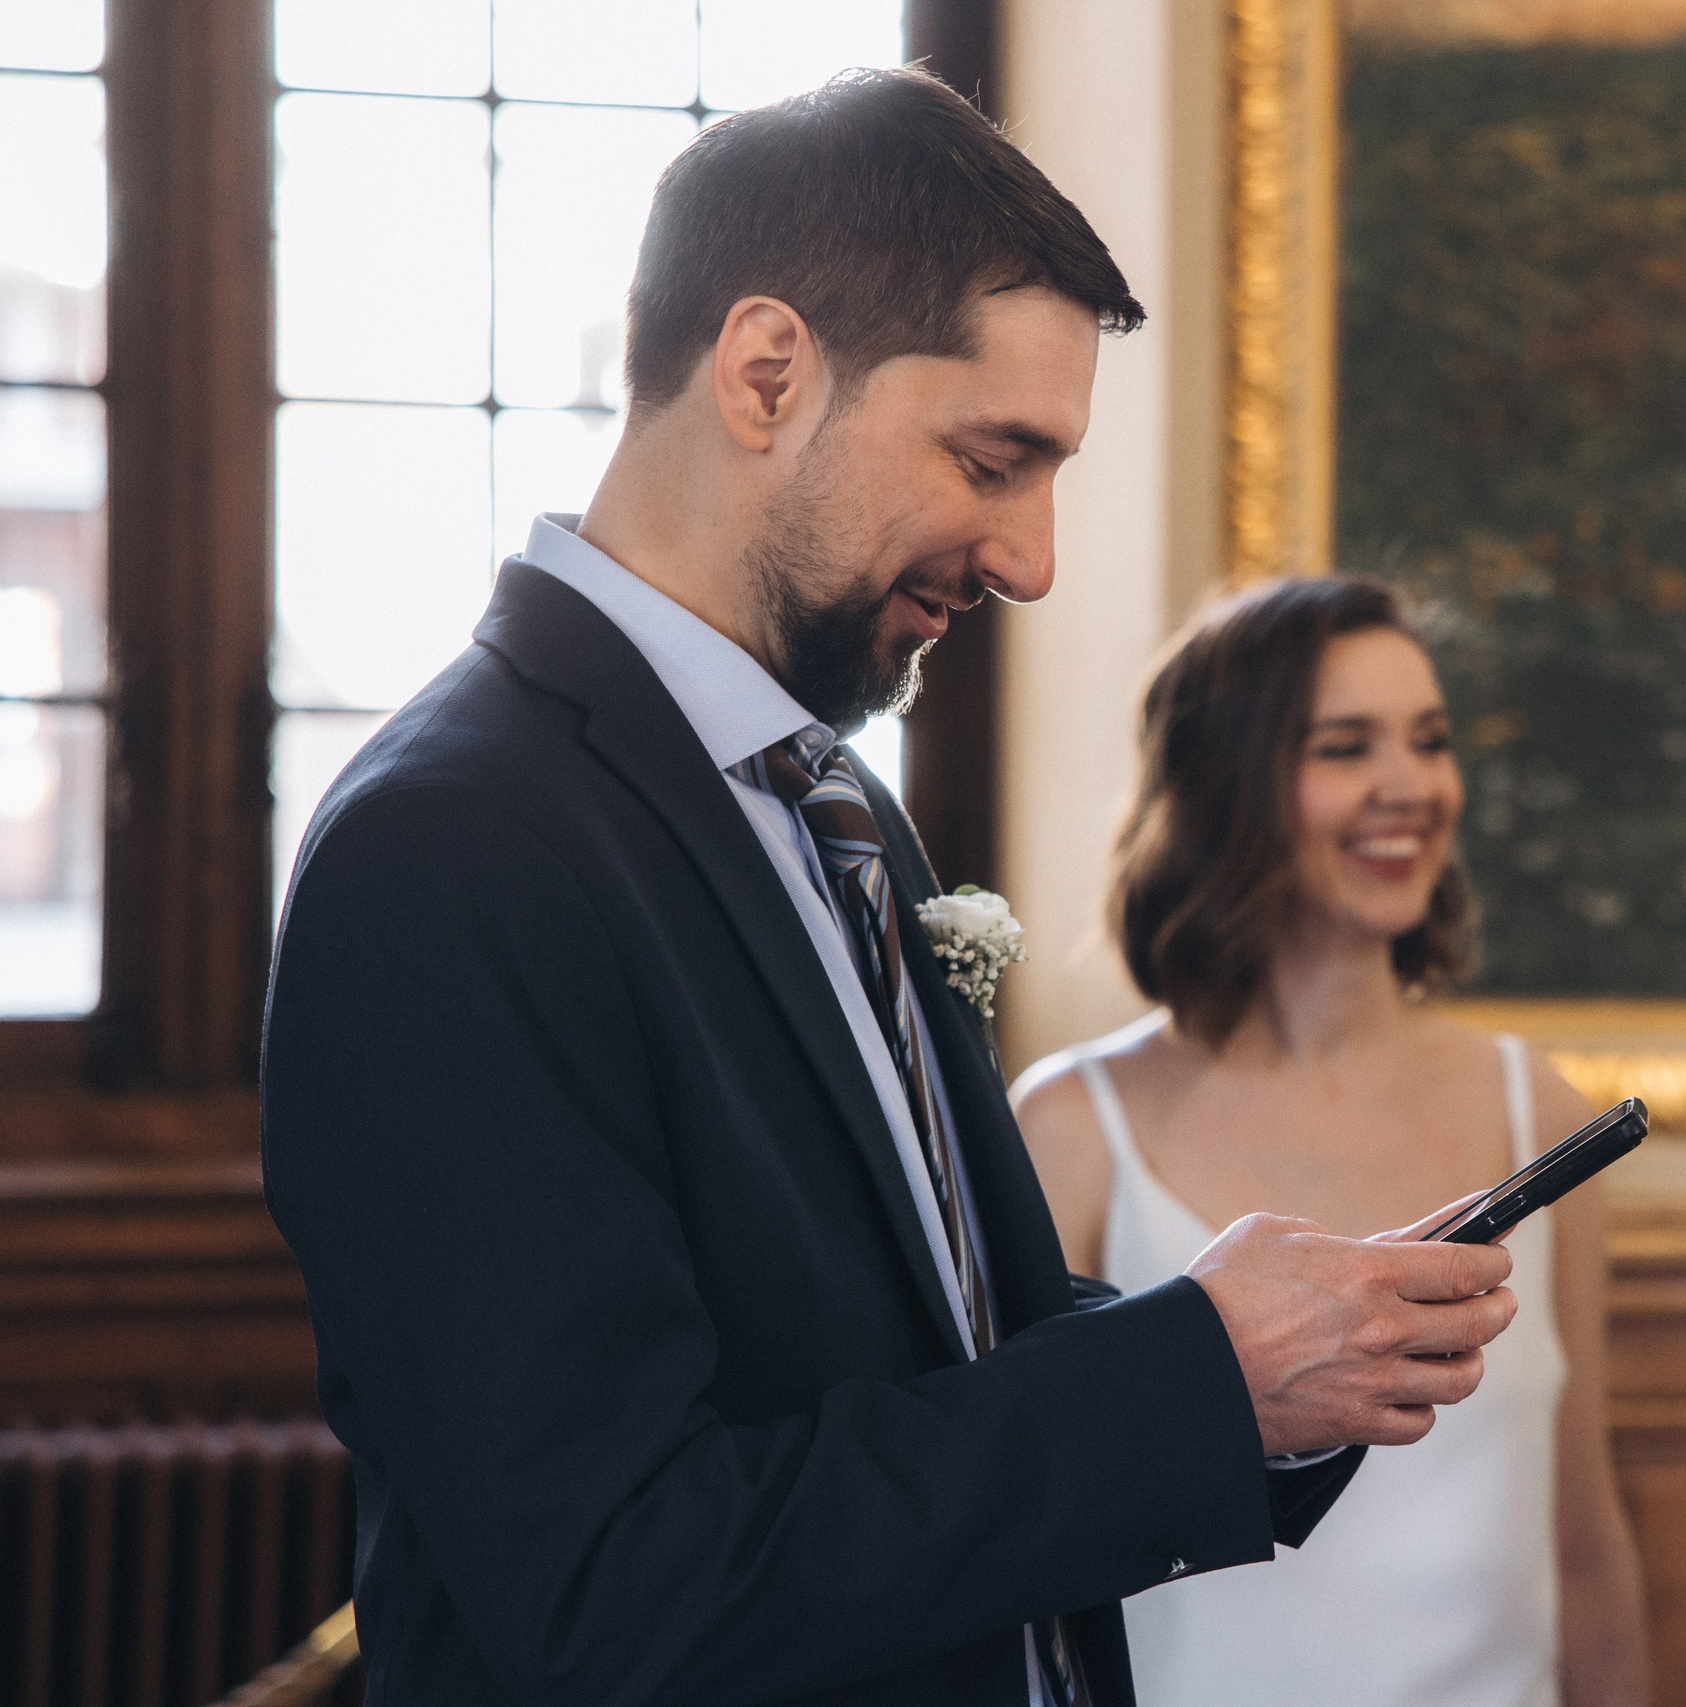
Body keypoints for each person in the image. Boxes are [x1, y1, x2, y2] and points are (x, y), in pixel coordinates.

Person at [259, 72, 1518, 1707]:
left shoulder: (832, 800)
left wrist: (1270, 1356)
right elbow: (613, 1586)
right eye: (995, 458)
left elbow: (916, 1337)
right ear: (768, 370)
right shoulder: (451, 848)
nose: (1033, 557)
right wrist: (1182, 1377)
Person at [1013, 577, 1651, 1707]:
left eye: (1430, 740)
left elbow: (1582, 1532)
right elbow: (1018, 1533)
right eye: (1346, 747)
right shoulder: (1072, 1130)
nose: (1408, 786)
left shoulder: (1537, 1111)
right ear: (1225, 786)